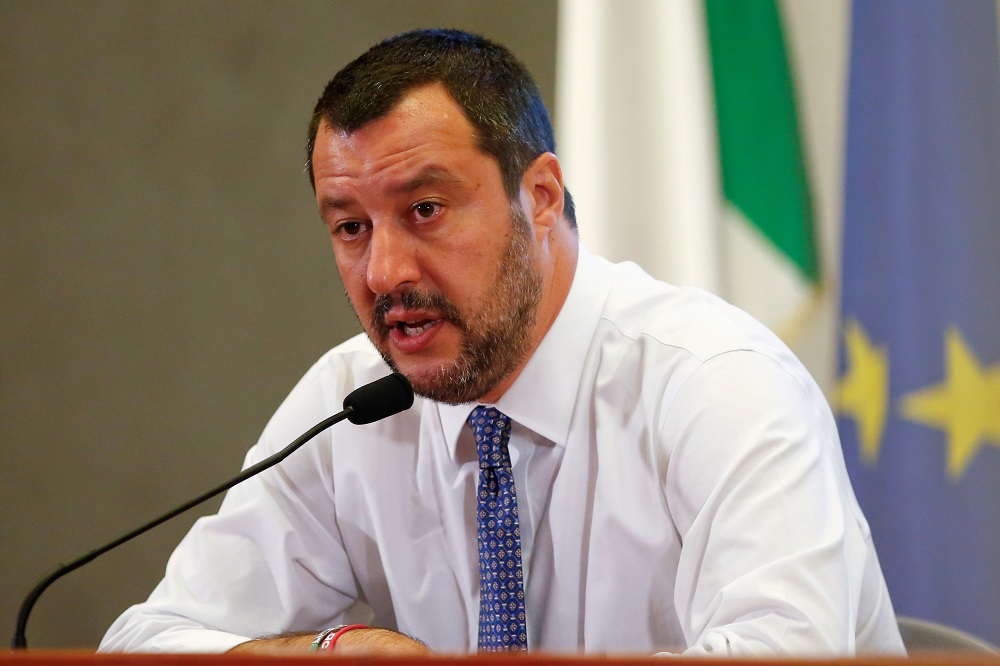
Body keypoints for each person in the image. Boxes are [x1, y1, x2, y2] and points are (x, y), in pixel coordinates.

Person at [99, 29, 905, 656]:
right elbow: (147, 640)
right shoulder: (350, 408)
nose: (383, 273)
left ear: (541, 197)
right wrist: (325, 649)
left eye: (425, 210)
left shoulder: (717, 383)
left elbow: (792, 655)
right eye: (350, 227)